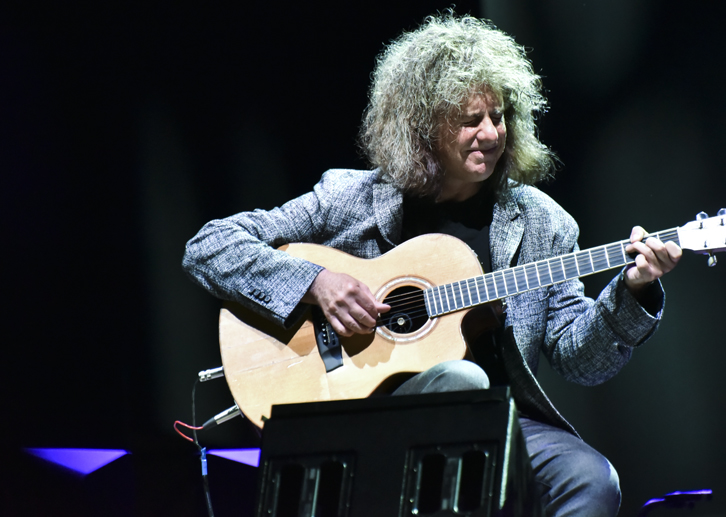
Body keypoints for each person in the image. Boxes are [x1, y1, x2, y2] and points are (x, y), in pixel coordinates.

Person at [183, 12, 681, 516]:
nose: (489, 134)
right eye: (470, 120)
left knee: (591, 479)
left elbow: (578, 357)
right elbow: (209, 246)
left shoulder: (542, 223)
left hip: (495, 420)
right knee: (462, 382)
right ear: (423, 126)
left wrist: (633, 293)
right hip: (357, 411)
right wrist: (317, 282)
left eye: (500, 116)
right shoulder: (351, 198)